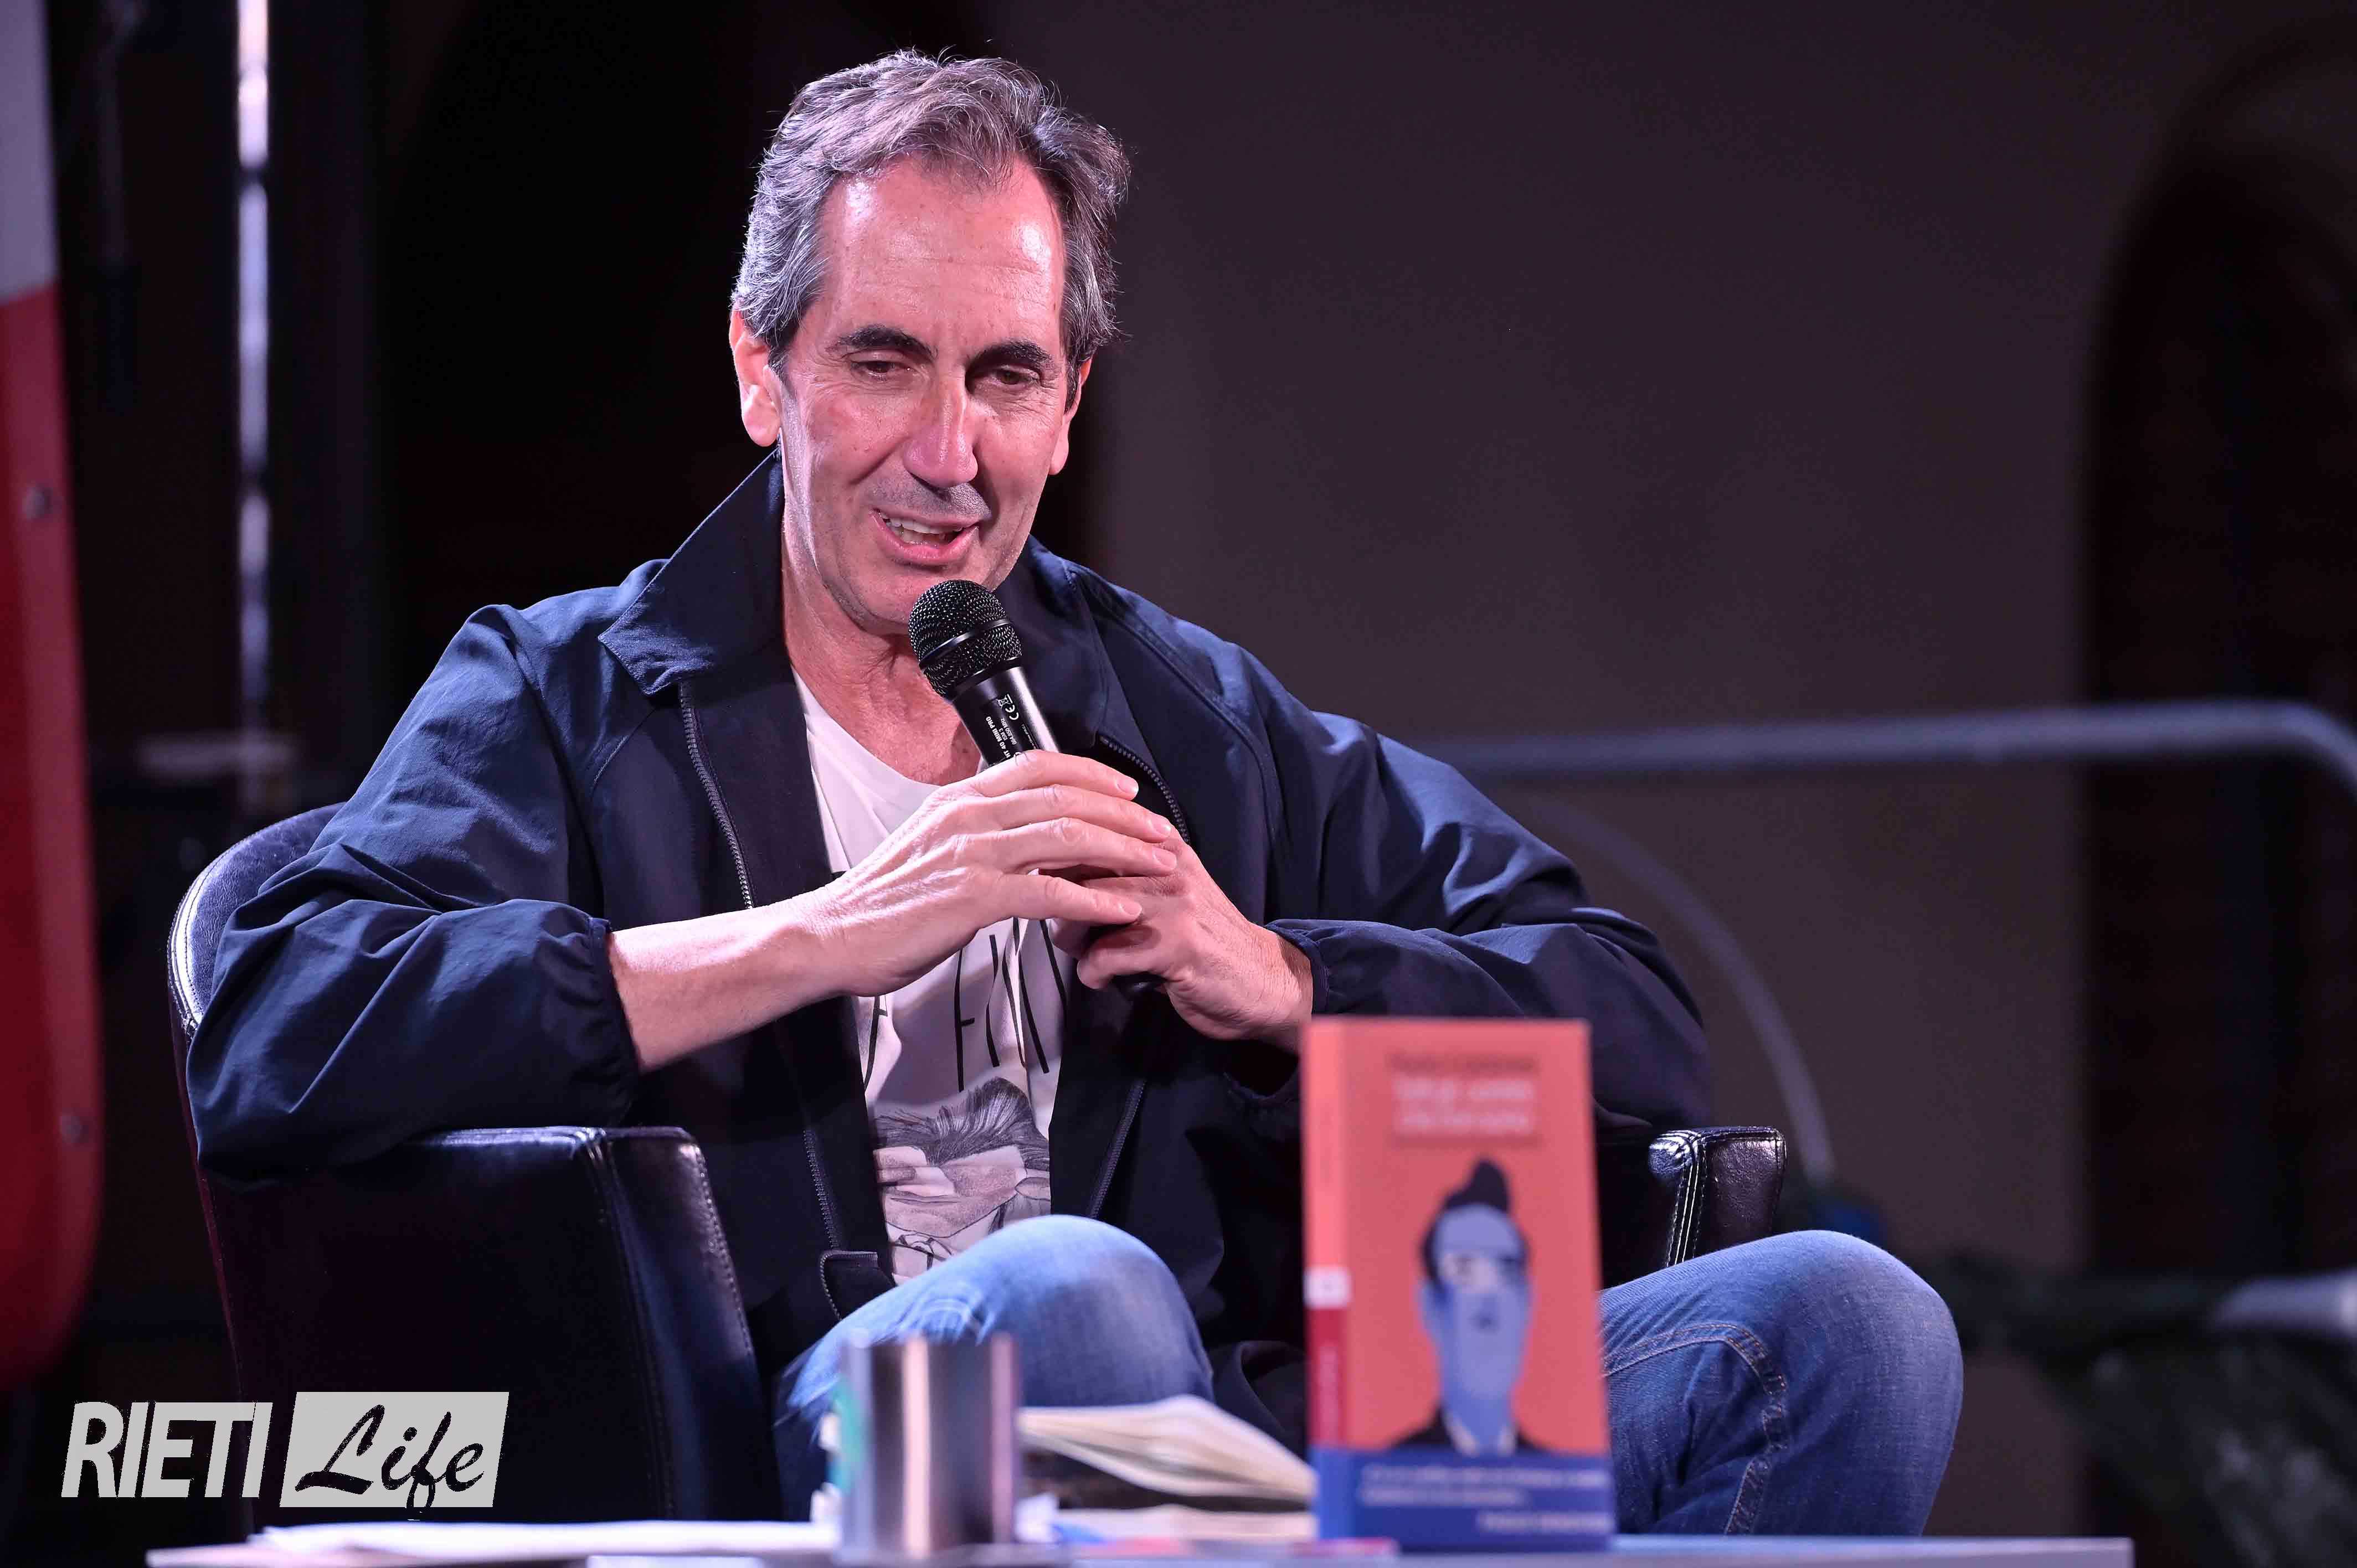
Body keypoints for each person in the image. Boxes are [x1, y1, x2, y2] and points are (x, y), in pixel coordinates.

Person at [188, 51, 1960, 1533]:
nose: (947, 454)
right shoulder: (570, 693)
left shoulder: (1185, 713)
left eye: (1005, 377)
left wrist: (1278, 974)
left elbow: (1632, 1022)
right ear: (761, 372)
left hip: (1228, 1452)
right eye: (882, 362)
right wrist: (821, 934)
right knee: (1076, 1293)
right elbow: (276, 1017)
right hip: (823, 1444)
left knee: (1847, 1325)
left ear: (1067, 403)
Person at [1392, 1159, 1548, 1456]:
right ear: (1431, 1308)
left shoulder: (1561, 1471)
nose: (1489, 1297)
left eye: (1506, 1272)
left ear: (1527, 1302)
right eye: (1464, 1272)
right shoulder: (1387, 1468)